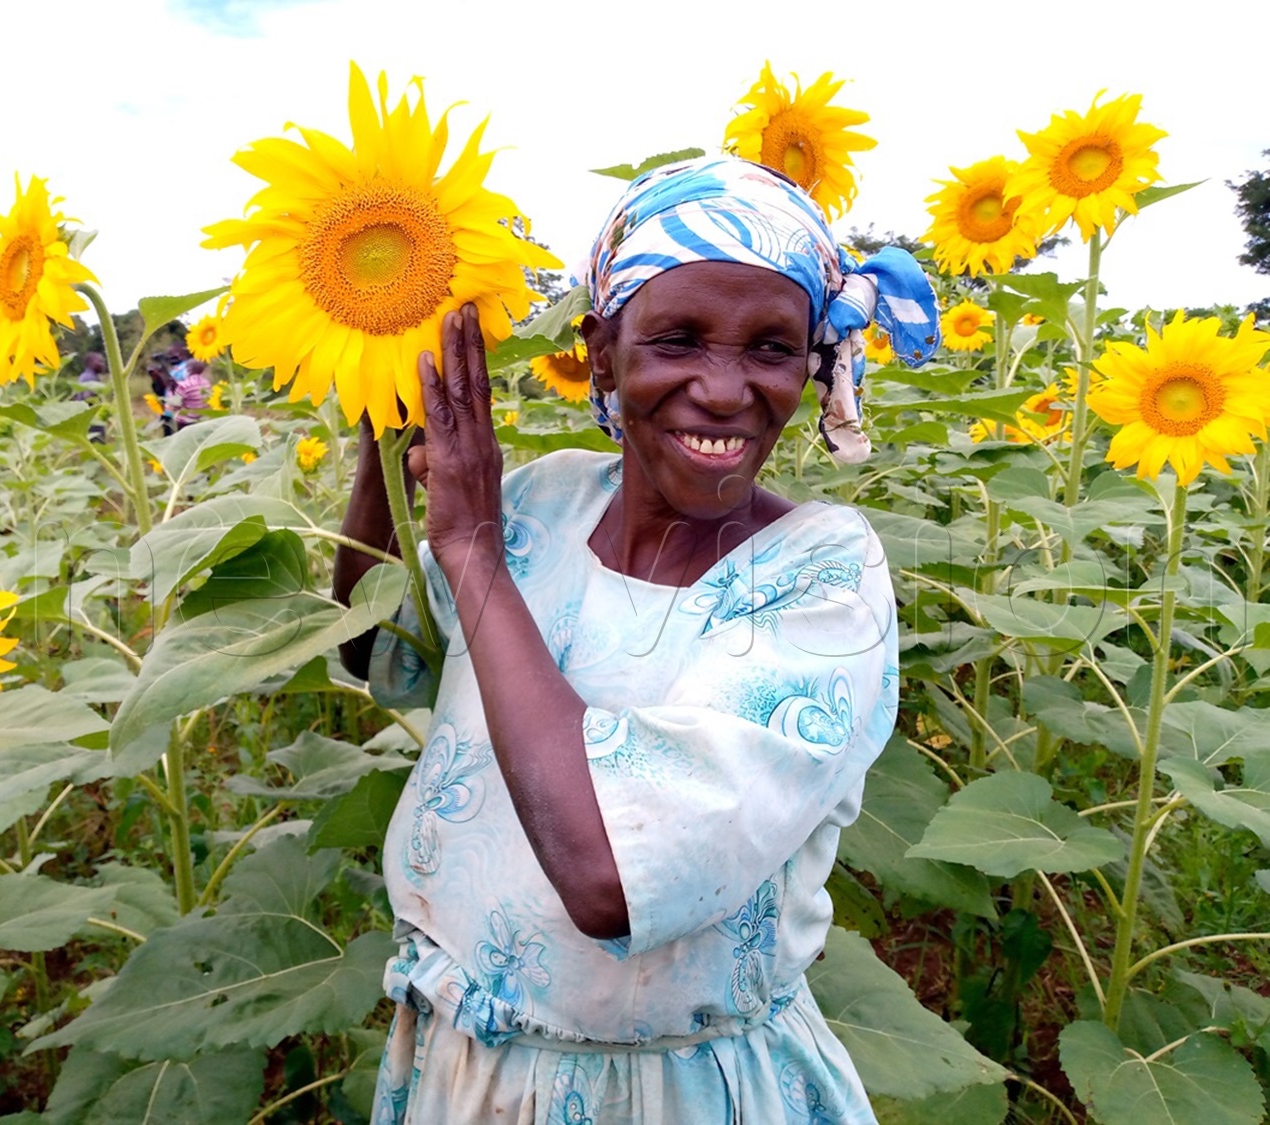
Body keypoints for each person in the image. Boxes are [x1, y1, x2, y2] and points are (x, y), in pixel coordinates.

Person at [333, 155, 940, 1124]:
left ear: (812, 365)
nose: (724, 388)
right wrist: (383, 411)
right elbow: (382, 655)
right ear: (601, 353)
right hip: (461, 1070)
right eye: (678, 339)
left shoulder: (824, 578)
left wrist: (471, 550)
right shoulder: (539, 502)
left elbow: (609, 874)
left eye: (772, 349)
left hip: (674, 1089)